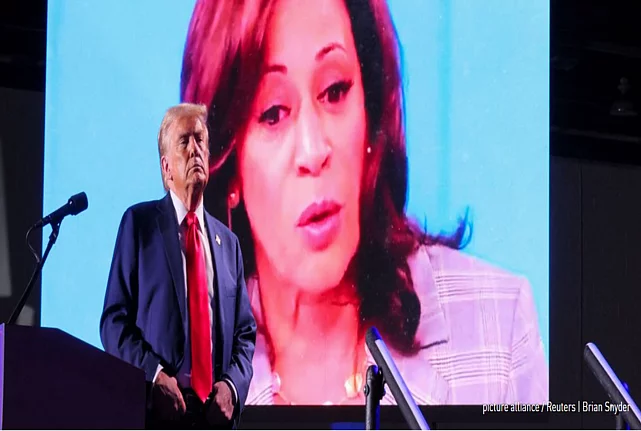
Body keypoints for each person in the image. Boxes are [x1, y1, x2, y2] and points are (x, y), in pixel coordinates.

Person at [180, 0, 548, 406]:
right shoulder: (187, 367)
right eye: (273, 113)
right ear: (228, 165)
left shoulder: (497, 327)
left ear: (370, 114)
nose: (314, 151)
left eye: (334, 91)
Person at [100, 103, 256, 428]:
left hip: (214, 419)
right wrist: (154, 375)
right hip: (158, 414)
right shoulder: (140, 225)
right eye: (184, 141)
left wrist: (232, 387)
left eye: (200, 140)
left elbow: (245, 333)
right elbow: (114, 323)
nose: (195, 150)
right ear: (166, 167)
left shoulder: (228, 244)